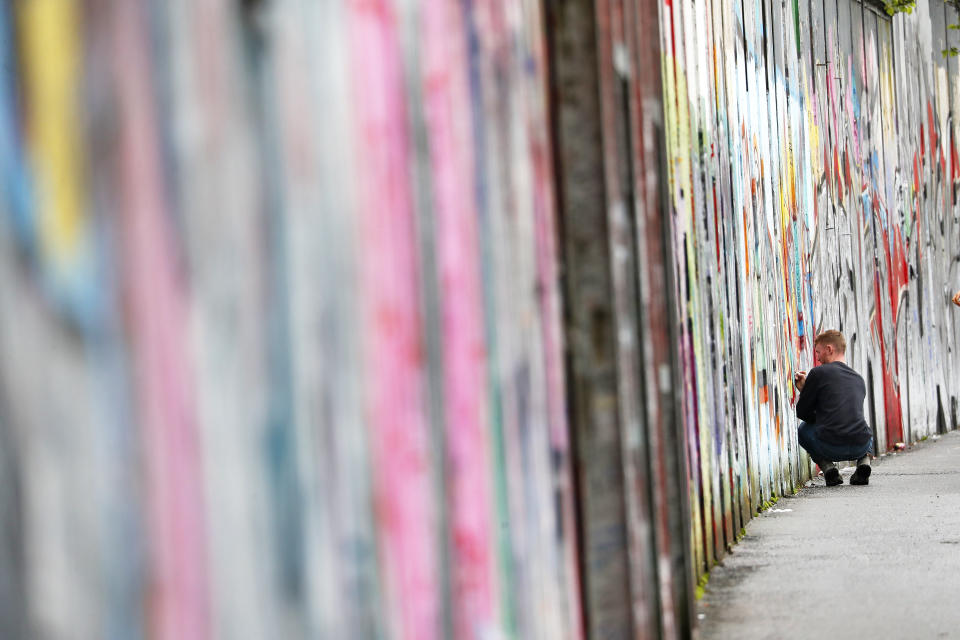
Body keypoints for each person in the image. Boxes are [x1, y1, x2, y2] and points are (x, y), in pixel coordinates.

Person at [793, 330, 874, 486]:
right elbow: (842, 411)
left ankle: (828, 468)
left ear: (829, 349)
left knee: (803, 430)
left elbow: (803, 412)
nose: (817, 357)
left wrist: (805, 391)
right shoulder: (859, 379)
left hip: (830, 446)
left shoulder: (818, 373)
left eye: (818, 352)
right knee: (863, 426)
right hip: (860, 445)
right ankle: (864, 462)